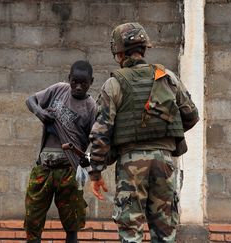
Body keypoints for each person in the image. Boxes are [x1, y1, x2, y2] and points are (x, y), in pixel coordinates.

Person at [88, 23, 199, 243]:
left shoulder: (113, 84)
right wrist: (163, 131)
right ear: (144, 49)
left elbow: (101, 132)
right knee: (165, 231)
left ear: (118, 53)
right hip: (164, 162)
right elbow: (191, 115)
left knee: (131, 230)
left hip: (131, 164)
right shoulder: (166, 77)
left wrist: (96, 172)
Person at [23, 60, 97, 243]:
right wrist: (40, 113)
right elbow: (30, 100)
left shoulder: (92, 107)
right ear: (69, 78)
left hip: (69, 170)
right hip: (44, 167)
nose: (78, 87)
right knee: (33, 220)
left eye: (83, 83)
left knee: (72, 224)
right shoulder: (58, 90)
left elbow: (96, 139)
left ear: (91, 82)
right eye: (75, 82)